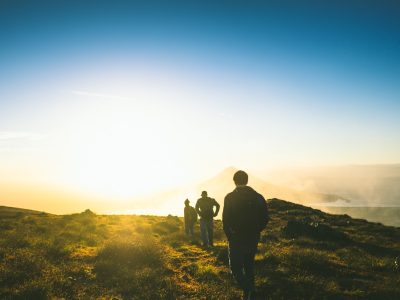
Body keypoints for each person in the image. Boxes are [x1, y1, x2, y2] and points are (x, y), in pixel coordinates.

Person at [223, 170, 269, 300]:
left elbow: (225, 220)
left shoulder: (230, 197)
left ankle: (247, 289)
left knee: (235, 268)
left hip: (236, 237)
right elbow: (265, 218)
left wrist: (230, 236)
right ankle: (250, 292)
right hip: (252, 237)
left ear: (234, 181)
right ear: (247, 180)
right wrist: (257, 231)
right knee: (249, 264)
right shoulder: (258, 197)